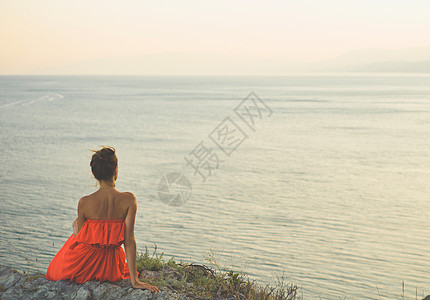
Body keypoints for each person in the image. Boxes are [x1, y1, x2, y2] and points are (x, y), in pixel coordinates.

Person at [46, 146, 160, 293]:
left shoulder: (84, 202)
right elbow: (129, 241)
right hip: (111, 267)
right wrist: (135, 281)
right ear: (116, 170)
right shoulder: (129, 200)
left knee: (55, 267)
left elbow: (80, 238)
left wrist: (75, 231)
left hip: (83, 265)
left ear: (94, 173)